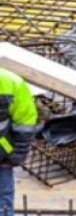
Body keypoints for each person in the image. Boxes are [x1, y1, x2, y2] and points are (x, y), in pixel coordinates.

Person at [0, 67, 39, 216]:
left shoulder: (9, 81)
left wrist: (17, 154)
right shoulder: (10, 80)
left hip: (2, 156)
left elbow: (24, 122)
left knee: (3, 205)